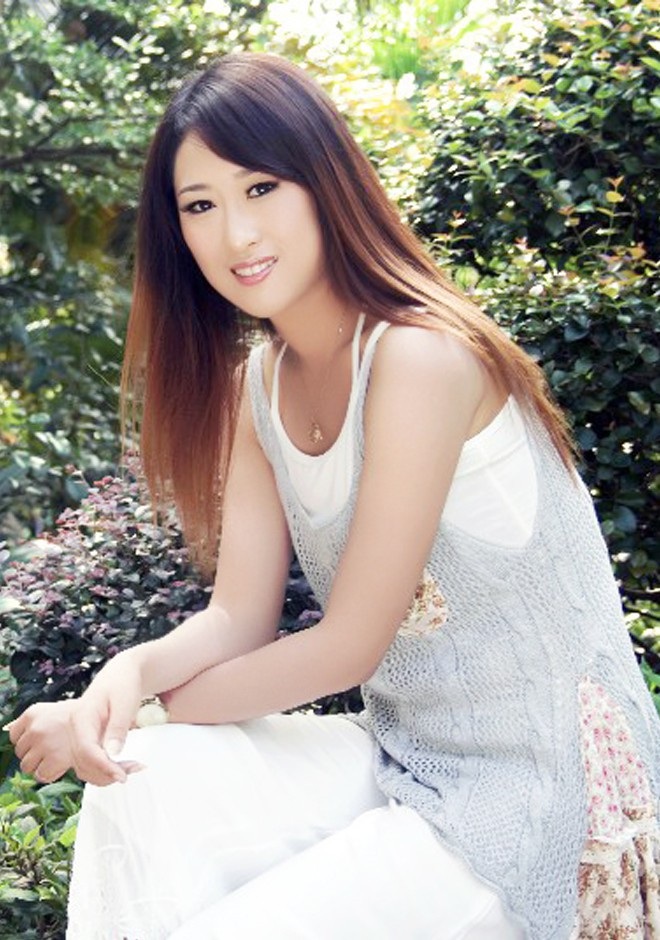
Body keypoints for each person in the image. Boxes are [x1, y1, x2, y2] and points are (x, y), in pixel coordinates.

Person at [6, 51, 660, 940]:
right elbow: (238, 616)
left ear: (324, 182)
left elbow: (347, 647)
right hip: (408, 755)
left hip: (544, 789)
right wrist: (124, 679)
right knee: (147, 787)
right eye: (200, 206)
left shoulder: (419, 357)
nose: (236, 233)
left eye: (261, 188)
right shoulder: (260, 384)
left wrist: (125, 713)